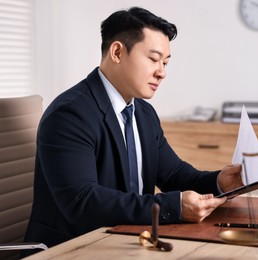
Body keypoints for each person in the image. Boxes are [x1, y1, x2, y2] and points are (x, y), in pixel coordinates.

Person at [24, 6, 243, 250]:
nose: (162, 73)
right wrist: (172, 207)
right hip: (73, 247)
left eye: (166, 62)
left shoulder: (143, 112)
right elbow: (82, 202)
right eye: (153, 59)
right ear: (117, 51)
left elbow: (173, 175)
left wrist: (220, 182)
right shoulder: (70, 114)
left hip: (130, 238)